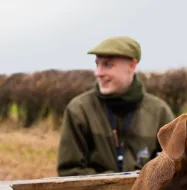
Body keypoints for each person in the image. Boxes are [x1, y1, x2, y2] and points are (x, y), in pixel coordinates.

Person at [57, 36, 175, 176]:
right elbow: (69, 171)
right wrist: (114, 182)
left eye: (107, 65)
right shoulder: (79, 110)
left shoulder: (159, 111)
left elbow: (176, 167)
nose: (98, 73)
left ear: (132, 65)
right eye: (97, 64)